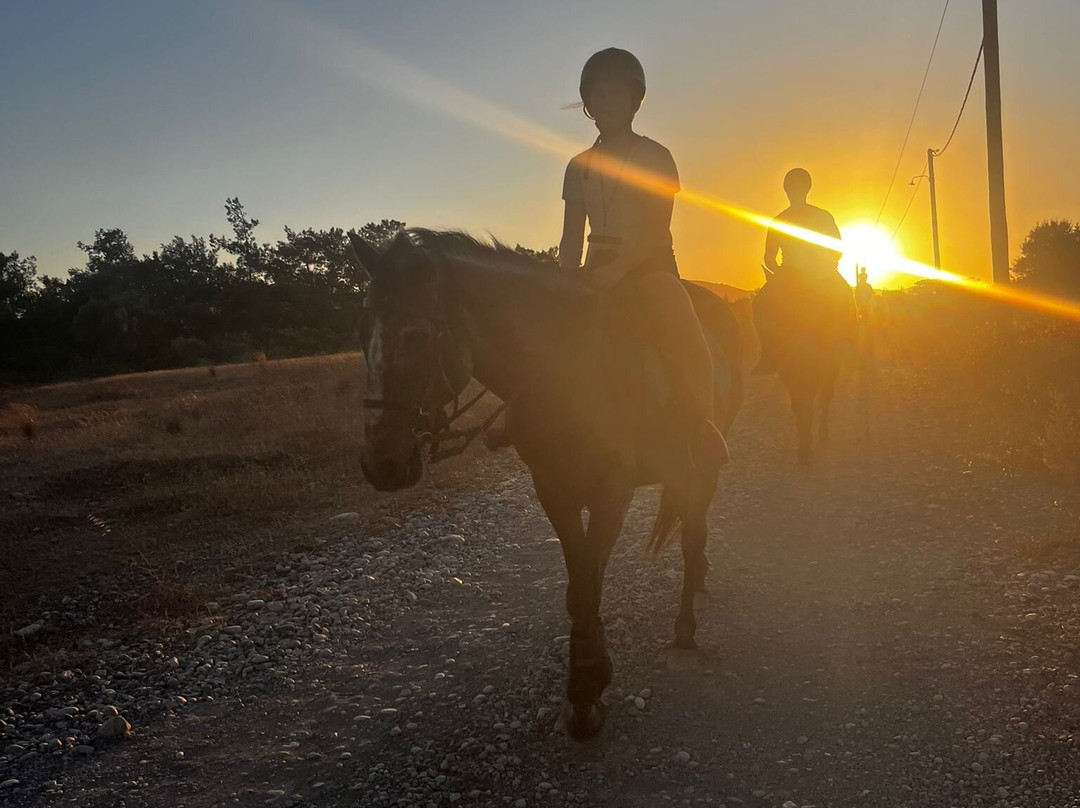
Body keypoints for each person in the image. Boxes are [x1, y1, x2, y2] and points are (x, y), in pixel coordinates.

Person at [487, 48, 727, 467]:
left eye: (619, 94)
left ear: (635, 101)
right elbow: (570, 235)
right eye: (600, 94)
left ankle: (702, 427)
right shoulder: (577, 166)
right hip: (594, 268)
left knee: (682, 327)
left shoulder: (656, 156)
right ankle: (521, 416)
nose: (609, 102)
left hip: (649, 265)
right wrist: (562, 281)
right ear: (588, 104)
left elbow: (656, 227)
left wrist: (621, 268)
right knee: (544, 334)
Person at [752, 168, 849, 375]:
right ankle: (850, 351)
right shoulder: (818, 217)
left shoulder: (782, 220)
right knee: (845, 295)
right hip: (811, 275)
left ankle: (850, 349)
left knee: (761, 304)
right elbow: (837, 249)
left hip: (800, 275)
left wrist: (779, 272)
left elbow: (769, 258)